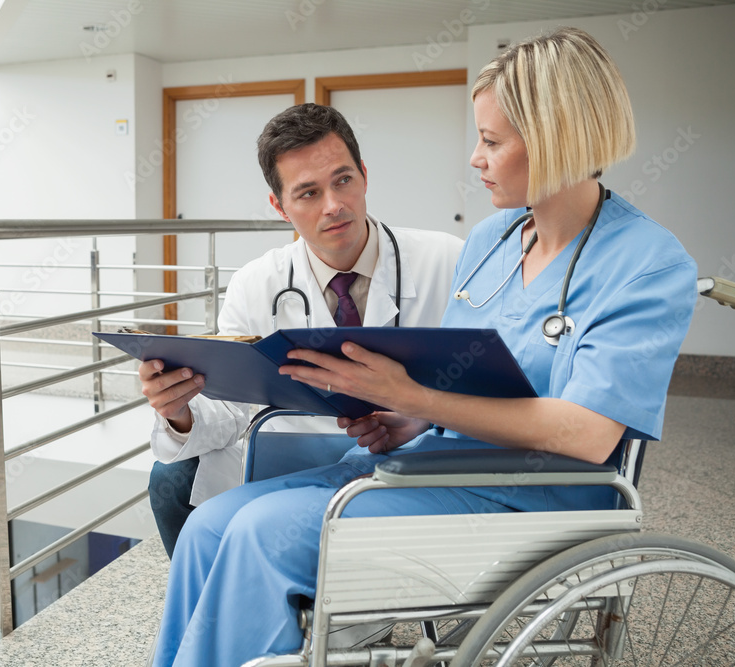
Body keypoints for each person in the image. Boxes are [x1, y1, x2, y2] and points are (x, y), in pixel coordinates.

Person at [151, 27, 698, 667]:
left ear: (556, 139)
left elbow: (587, 434)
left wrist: (414, 394)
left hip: (534, 496)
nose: (475, 158)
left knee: (258, 536)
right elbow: (468, 381)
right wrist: (411, 416)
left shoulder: (649, 264)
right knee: (208, 529)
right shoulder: (495, 239)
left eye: (491, 141)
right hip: (434, 465)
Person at [142, 103, 464, 558]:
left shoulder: (448, 260)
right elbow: (233, 412)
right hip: (294, 455)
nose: (334, 206)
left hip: (411, 455)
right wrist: (179, 412)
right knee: (171, 478)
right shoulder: (256, 284)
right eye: (309, 193)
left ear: (364, 175)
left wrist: (426, 415)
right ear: (280, 206)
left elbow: (487, 387)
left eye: (343, 180)